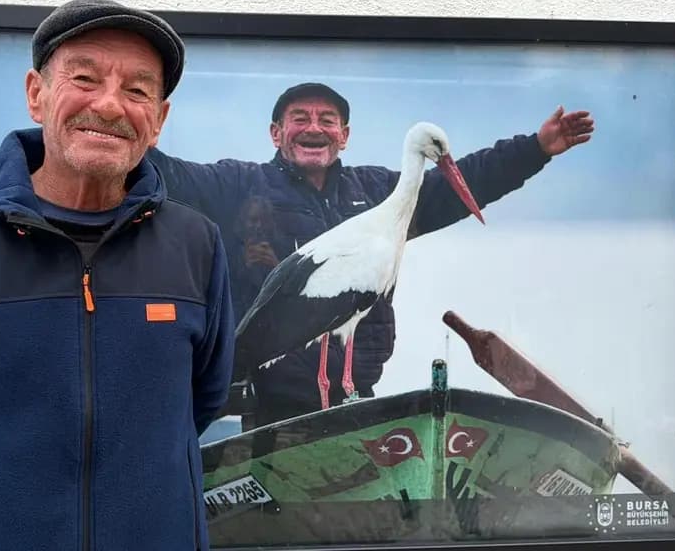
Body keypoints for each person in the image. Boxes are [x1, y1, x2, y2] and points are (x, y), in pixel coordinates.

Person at [0, 0, 234, 551]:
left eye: (138, 90)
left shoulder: (195, 244)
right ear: (37, 94)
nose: (110, 105)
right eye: (84, 78)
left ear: (159, 120)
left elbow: (203, 397)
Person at [147, 82, 593, 428]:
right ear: (276, 133)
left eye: (327, 120)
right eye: (300, 118)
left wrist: (535, 148)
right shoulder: (238, 186)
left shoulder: (381, 193)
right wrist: (129, 130)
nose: (314, 128)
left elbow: (459, 180)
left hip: (357, 399)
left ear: (344, 136)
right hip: (271, 409)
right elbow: (172, 177)